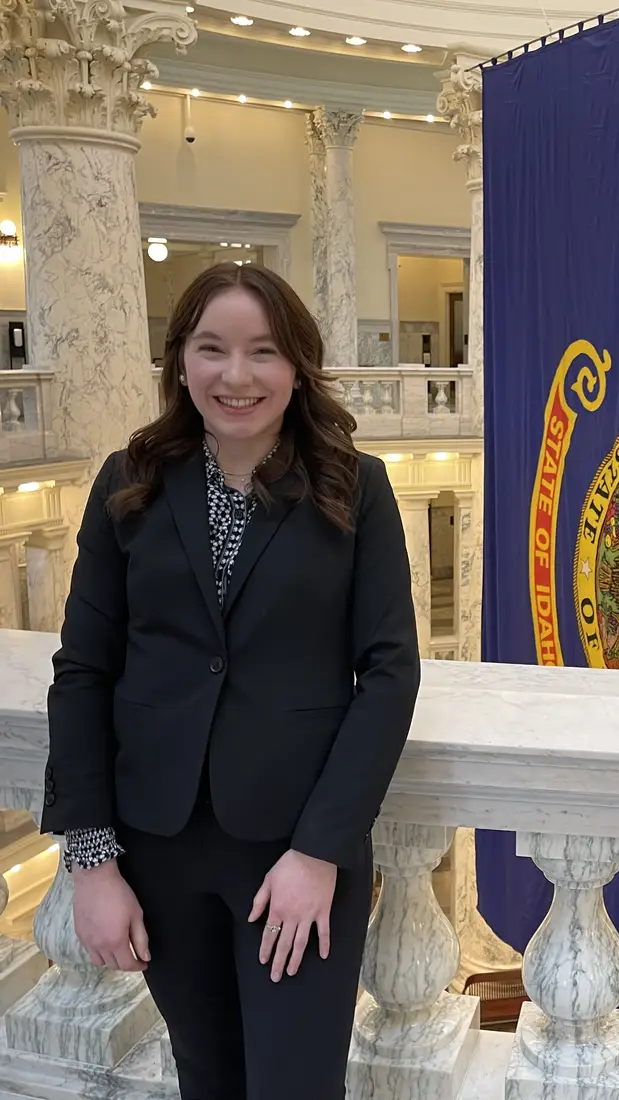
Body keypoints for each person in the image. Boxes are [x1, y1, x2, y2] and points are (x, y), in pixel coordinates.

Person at [39, 263, 420, 1100]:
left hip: (296, 855)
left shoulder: (357, 488)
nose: (236, 376)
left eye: (263, 352)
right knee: (206, 1078)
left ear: (296, 367)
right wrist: (91, 863)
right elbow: (83, 674)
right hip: (158, 850)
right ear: (180, 361)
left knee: (295, 1083)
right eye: (212, 349)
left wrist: (319, 850)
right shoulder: (127, 482)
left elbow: (390, 674)